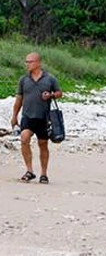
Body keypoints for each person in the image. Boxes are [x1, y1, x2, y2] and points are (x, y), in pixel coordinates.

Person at [10, 53, 62, 184]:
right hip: (27, 116)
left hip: (44, 118)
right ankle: (29, 171)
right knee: (24, 138)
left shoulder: (50, 78)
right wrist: (14, 116)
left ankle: (44, 174)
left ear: (38, 63)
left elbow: (59, 93)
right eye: (26, 62)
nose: (27, 64)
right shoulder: (23, 80)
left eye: (30, 62)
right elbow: (19, 99)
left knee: (43, 145)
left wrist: (50, 95)